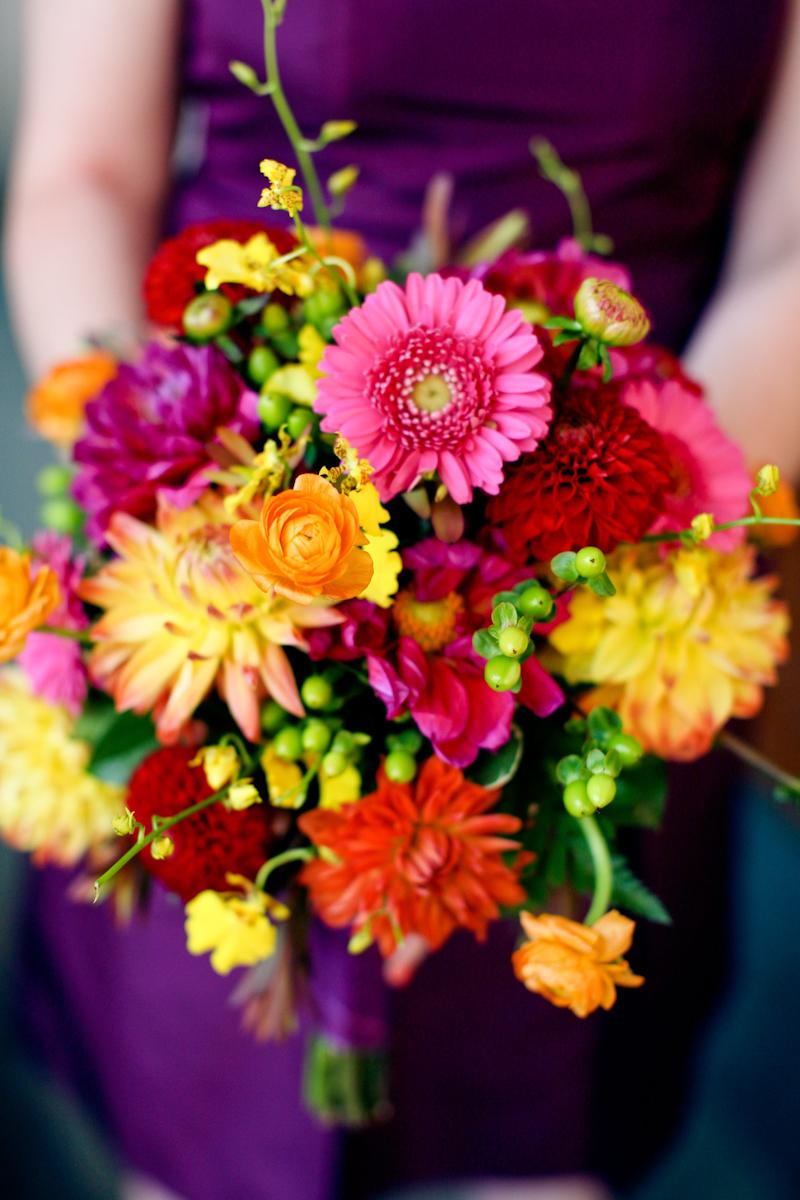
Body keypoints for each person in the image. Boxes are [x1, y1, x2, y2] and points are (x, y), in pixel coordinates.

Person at [4, 2, 799, 1199]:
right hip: (224, 525)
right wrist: (199, 527)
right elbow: (81, 174)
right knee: (208, 1144)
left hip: (626, 534)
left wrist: (583, 594)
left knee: (542, 1135)